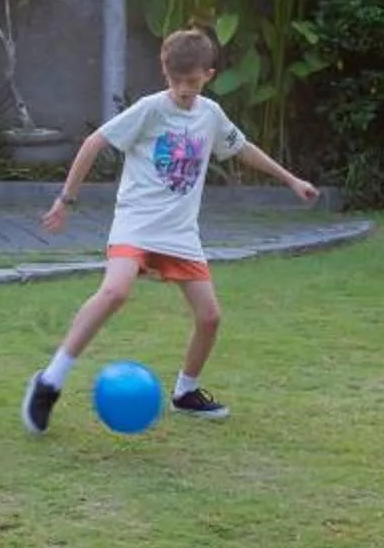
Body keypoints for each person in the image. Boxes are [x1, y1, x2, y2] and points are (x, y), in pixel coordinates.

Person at [23, 28, 321, 433]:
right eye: (176, 81)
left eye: (192, 82)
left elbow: (242, 147)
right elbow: (94, 142)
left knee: (210, 317)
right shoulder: (150, 109)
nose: (183, 89)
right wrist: (65, 201)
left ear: (208, 76)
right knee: (115, 291)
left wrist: (290, 179)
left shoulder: (210, 115)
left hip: (180, 233)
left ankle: (186, 392)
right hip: (137, 222)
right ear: (165, 71)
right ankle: (50, 381)